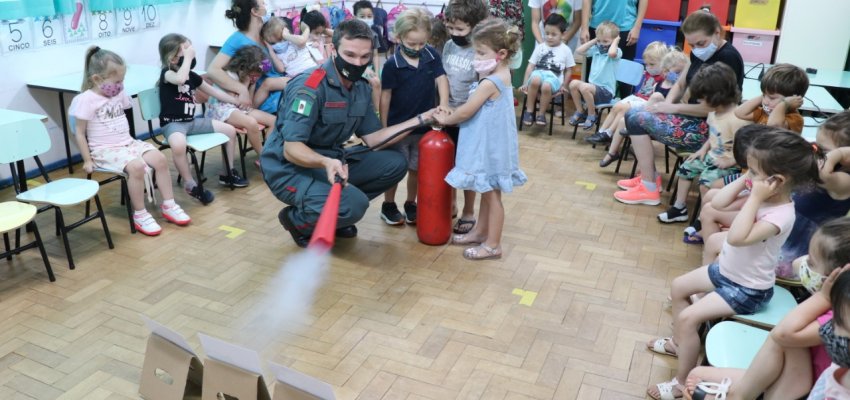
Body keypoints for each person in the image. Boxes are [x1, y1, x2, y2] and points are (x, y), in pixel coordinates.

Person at [646, 130, 823, 400]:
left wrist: (753, 197)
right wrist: (746, 180)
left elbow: (738, 238)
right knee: (679, 287)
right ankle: (679, 343)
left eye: (753, 171)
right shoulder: (761, 194)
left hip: (747, 288)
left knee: (688, 317)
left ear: (777, 181)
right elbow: (716, 202)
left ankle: (681, 383)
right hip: (727, 272)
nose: (748, 175)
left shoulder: (782, 214)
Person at [261, 19, 437, 248]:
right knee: (353, 206)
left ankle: (334, 212)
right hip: (290, 168)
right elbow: (291, 148)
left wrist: (421, 119)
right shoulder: (310, 87)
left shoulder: (360, 87)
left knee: (395, 163)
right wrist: (325, 162)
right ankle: (298, 221)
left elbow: (374, 139)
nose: (358, 62)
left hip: (331, 161)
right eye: (351, 55)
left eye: (365, 57)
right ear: (333, 49)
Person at [680, 217, 850, 400]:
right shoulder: (832, 300)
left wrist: (823, 297)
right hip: (787, 373)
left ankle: (740, 395)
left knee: (783, 337)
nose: (805, 265)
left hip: (803, 389)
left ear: (836, 276)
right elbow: (796, 264)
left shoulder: (840, 318)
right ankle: (743, 392)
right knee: (696, 374)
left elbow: (782, 335)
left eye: (812, 263)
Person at [613, 10, 744, 206]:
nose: (696, 49)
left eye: (701, 43)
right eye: (692, 45)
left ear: (717, 32)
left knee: (636, 118)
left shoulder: (727, 57)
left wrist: (672, 108)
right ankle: (648, 179)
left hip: (711, 131)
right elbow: (680, 84)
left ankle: (649, 187)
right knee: (636, 114)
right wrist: (667, 104)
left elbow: (714, 109)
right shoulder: (699, 53)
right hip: (690, 117)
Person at [432, 18, 528, 260]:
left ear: (501, 53)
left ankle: (493, 245)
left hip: (489, 147)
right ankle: (480, 231)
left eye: (481, 52)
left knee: (492, 196)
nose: (476, 57)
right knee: (487, 192)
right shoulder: (504, 73)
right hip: (492, 144)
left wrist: (445, 119)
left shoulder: (490, 82)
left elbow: (466, 111)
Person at [71, 47, 190, 236]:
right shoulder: (86, 100)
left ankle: (169, 204)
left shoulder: (119, 92)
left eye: (122, 80)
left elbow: (124, 109)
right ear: (96, 79)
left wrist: (119, 88)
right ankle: (140, 214)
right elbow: (79, 132)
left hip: (127, 143)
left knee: (159, 159)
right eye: (117, 81)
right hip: (104, 150)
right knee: (136, 168)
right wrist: (86, 160)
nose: (120, 85)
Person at [156, 33, 249, 206]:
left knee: (229, 130)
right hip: (173, 123)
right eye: (186, 54)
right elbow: (180, 79)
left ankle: (227, 172)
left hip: (192, 122)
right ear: (173, 58)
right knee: (178, 145)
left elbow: (215, 92)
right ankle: (190, 183)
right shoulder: (167, 74)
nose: (191, 58)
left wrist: (236, 101)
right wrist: (187, 58)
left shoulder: (192, 76)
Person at [378, 8, 449, 226]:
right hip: (398, 128)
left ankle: (411, 203)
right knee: (394, 168)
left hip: (424, 128)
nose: (418, 48)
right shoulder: (392, 65)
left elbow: (442, 79)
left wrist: (444, 104)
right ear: (398, 38)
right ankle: (388, 205)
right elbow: (385, 96)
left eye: (422, 43)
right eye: (412, 44)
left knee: (416, 169)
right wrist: (384, 128)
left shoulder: (431, 56)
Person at [656, 63, 751, 222]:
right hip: (711, 156)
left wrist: (731, 161)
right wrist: (702, 149)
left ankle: (704, 218)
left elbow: (748, 149)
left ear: (717, 96)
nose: (699, 101)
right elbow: (713, 135)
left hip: (730, 164)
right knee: (685, 169)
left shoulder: (737, 119)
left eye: (703, 98)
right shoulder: (714, 113)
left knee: (706, 183)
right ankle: (680, 208)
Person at [776, 111, 850, 280]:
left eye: (823, 151)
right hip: (785, 233)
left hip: (793, 252)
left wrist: (840, 153)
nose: (816, 154)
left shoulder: (844, 180)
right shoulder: (824, 166)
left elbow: (822, 174)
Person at [443, 0, 489, 235]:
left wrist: (466, 112)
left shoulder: (480, 51)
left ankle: (468, 211)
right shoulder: (449, 46)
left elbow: (482, 87)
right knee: (448, 163)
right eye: (450, 28)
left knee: (468, 167)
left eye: (460, 29)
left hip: (469, 118)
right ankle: (451, 204)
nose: (454, 34)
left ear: (475, 26)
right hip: (447, 115)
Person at [207, 0, 286, 116]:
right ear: (254, 11)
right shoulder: (237, 39)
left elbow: (267, 67)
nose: (266, 5)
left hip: (278, 90)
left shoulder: (264, 37)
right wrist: (242, 89)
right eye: (263, 3)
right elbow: (213, 70)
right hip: (267, 98)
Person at [585, 41, 668, 150]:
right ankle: (601, 132)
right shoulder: (649, 72)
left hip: (649, 103)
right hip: (639, 97)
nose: (648, 67)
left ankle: (609, 134)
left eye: (652, 64)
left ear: (664, 63)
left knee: (624, 108)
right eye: (646, 64)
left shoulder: (665, 76)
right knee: (617, 106)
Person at [206, 45, 274, 162]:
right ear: (243, 67)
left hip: (240, 109)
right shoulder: (229, 75)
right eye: (255, 72)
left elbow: (248, 104)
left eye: (259, 73)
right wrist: (246, 83)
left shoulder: (250, 79)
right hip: (222, 109)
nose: (257, 76)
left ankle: (268, 150)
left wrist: (251, 85)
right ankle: (264, 157)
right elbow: (237, 101)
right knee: (251, 123)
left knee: (275, 121)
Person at [519, 13, 576, 127]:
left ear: (563, 34)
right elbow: (530, 66)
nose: (549, 37)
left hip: (554, 79)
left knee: (546, 86)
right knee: (534, 80)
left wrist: (564, 85)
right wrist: (525, 83)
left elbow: (569, 70)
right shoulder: (540, 47)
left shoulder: (566, 50)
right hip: (538, 74)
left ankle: (541, 114)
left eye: (554, 34)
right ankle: (529, 112)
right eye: (547, 33)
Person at [568, 20, 620, 130]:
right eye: (599, 41)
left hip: (606, 92)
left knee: (584, 86)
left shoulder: (616, 52)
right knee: (573, 84)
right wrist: (595, 40)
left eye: (605, 41)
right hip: (591, 91)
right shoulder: (596, 49)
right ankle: (581, 111)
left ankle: (592, 115)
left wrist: (616, 41)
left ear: (614, 41)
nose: (601, 44)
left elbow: (611, 53)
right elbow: (579, 51)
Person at [808, 267, 850, 399]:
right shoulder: (838, 367)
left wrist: (822, 297)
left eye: (840, 323)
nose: (831, 328)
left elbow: (782, 335)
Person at [735, 63, 809, 133]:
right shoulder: (764, 113)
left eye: (772, 98)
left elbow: (773, 125)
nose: (765, 102)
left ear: (792, 99)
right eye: (764, 95)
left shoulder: (794, 119)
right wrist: (763, 96)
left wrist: (784, 104)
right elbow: (739, 113)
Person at [579, 0, 648, 62]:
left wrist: (637, 28)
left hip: (625, 26)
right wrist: (584, 28)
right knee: (594, 68)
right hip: (598, 26)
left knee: (623, 72)